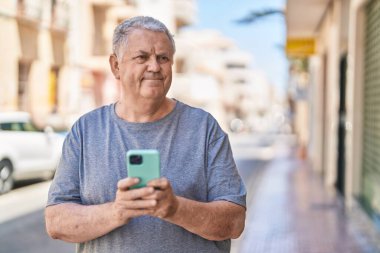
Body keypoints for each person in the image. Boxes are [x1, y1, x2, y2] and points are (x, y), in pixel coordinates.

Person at [45, 16, 246, 253]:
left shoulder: (204, 128)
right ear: (116, 66)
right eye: (142, 57)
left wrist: (174, 208)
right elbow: (56, 222)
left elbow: (234, 222)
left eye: (163, 58)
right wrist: (117, 211)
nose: (154, 66)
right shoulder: (85, 131)